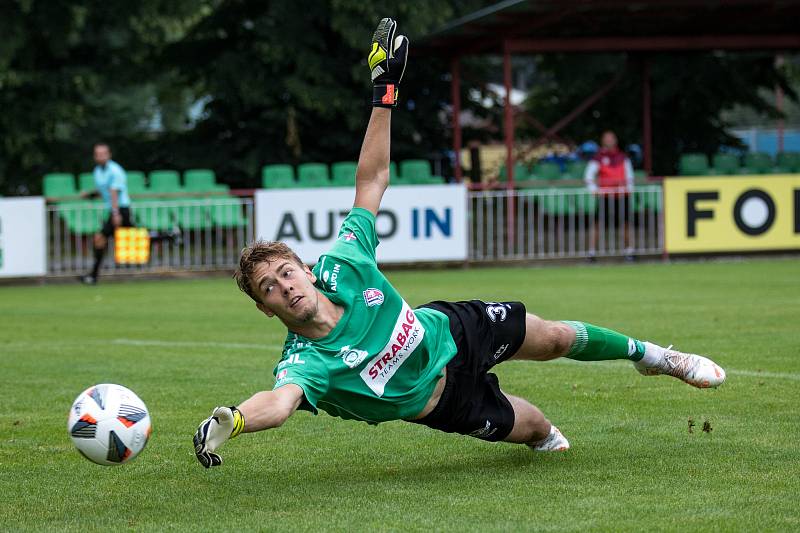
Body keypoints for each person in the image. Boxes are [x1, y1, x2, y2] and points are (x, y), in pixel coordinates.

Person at [193, 19, 726, 468]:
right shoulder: (303, 362)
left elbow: (371, 182)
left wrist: (384, 92)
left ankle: (654, 356)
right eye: (269, 288)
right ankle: (540, 435)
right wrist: (235, 420)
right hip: (442, 401)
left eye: (286, 272)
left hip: (454, 328)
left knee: (558, 338)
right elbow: (279, 403)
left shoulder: (346, 262)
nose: (284, 286)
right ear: (265, 309)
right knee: (540, 430)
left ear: (305, 269)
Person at [81, 142, 132, 285]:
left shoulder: (115, 170)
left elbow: (114, 192)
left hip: (121, 209)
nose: (100, 156)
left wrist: (116, 214)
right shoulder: (97, 171)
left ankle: (93, 276)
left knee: (135, 238)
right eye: (98, 154)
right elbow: (103, 191)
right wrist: (90, 195)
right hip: (114, 210)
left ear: (109, 155)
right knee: (102, 239)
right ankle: (93, 276)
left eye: (103, 154)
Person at [584, 131, 635, 261]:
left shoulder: (623, 157)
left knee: (625, 223)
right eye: (606, 138)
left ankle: (629, 252)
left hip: (622, 196)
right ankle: (591, 253)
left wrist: (628, 190)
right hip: (605, 196)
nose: (609, 140)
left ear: (615, 140)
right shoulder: (598, 158)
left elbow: (630, 177)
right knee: (597, 224)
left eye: (611, 138)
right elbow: (588, 176)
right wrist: (594, 190)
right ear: (602, 141)